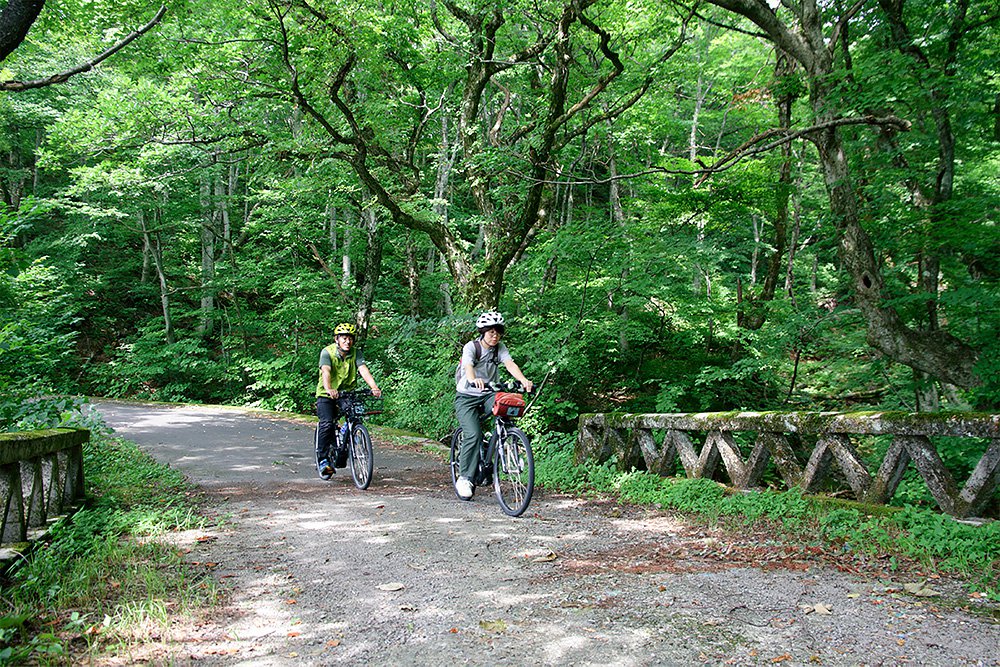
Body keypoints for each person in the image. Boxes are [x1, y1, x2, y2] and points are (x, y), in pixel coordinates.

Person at [453, 310, 533, 500]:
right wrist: (473, 379)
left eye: (498, 332)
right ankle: (465, 478)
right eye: (491, 332)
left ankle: (504, 442)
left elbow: (510, 364)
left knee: (505, 406)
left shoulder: (500, 348)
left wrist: (523, 380)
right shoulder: (471, 347)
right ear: (483, 332)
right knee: (473, 434)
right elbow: (468, 366)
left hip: (488, 394)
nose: (495, 336)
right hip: (467, 397)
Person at [315, 322, 382, 479]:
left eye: (350, 338)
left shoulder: (355, 353)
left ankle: (348, 438)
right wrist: (329, 388)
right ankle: (323, 460)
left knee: (355, 417)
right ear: (337, 339)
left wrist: (374, 387)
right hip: (326, 394)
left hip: (347, 393)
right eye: (344, 338)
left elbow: (363, 369)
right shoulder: (327, 352)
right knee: (327, 424)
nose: (347, 341)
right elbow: (326, 371)